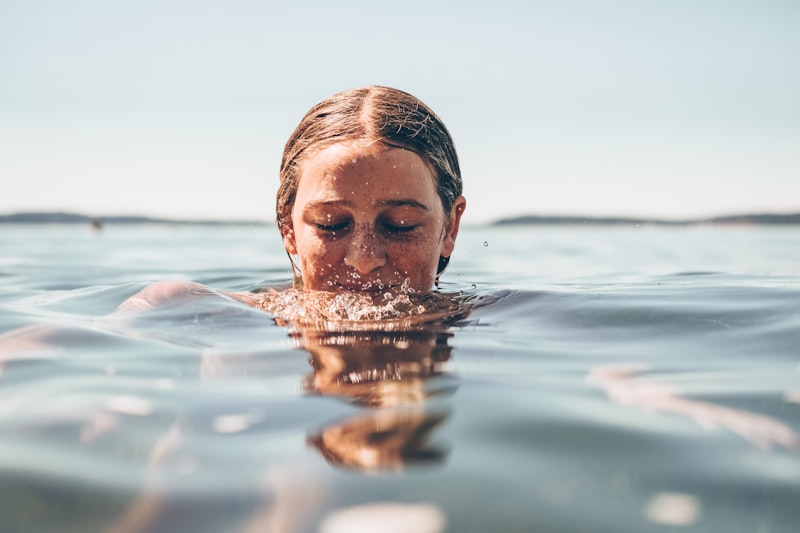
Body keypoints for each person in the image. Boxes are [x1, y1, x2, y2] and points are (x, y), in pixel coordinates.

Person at [116, 85, 467, 317]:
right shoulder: (187, 308)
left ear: (449, 227)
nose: (364, 259)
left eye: (399, 224)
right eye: (331, 224)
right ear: (288, 228)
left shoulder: (498, 318)